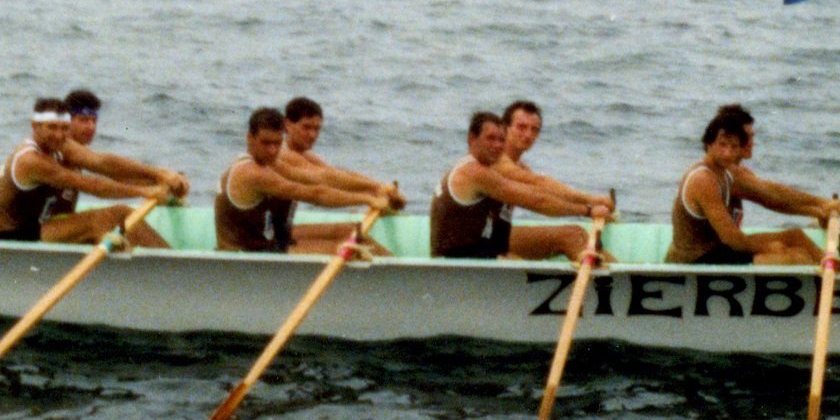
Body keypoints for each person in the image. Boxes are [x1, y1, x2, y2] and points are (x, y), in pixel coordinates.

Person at [0, 98, 185, 248]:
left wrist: (159, 175)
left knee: (121, 214)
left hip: (37, 227)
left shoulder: (59, 144)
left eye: (64, 128)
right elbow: (93, 186)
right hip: (9, 237)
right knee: (104, 220)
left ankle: (170, 260)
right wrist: (144, 192)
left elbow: (102, 163)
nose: (59, 135)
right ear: (35, 127)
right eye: (52, 128)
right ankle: (173, 272)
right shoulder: (30, 160)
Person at [664, 105, 838, 265]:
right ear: (709, 144)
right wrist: (819, 206)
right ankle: (828, 271)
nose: (728, 152)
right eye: (722, 145)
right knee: (794, 255)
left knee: (795, 238)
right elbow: (734, 237)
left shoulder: (727, 172)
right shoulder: (703, 179)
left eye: (734, 146)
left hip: (718, 249)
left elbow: (770, 197)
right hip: (695, 260)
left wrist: (817, 210)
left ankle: (831, 267)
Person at [430, 111, 611, 263]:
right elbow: (537, 201)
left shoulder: (486, 167)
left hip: (483, 249)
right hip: (459, 260)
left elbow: (538, 190)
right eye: (490, 139)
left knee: (574, 234)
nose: (497, 145)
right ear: (472, 139)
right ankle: (614, 279)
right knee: (572, 236)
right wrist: (588, 210)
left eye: (501, 140)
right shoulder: (474, 172)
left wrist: (590, 205)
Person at [216, 107, 402, 254]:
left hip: (272, 239)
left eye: (277, 143)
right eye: (266, 143)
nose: (273, 150)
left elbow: (319, 177)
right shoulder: (251, 173)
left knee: (349, 231)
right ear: (250, 138)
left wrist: (376, 187)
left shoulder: (270, 162)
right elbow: (315, 194)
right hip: (247, 252)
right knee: (350, 247)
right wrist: (367, 199)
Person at [278, 95, 405, 249]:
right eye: (306, 127)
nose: (313, 135)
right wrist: (373, 192)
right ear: (287, 124)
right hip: (267, 238)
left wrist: (379, 189)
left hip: (282, 229)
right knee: (351, 239)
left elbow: (337, 175)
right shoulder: (281, 154)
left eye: (317, 129)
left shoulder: (303, 154)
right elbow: (325, 180)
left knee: (350, 230)